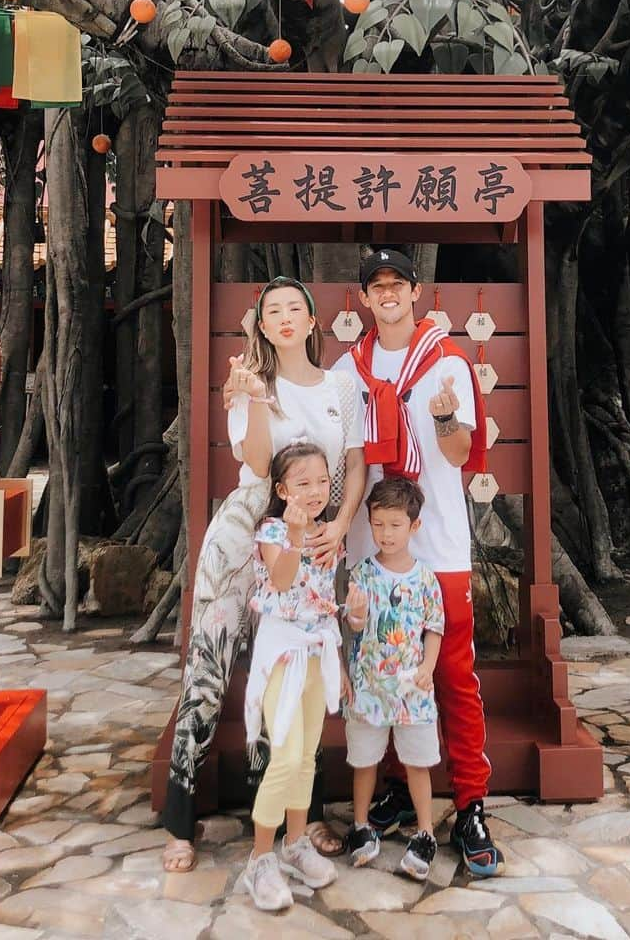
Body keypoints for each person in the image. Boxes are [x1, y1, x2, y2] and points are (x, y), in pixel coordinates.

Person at [163, 277, 366, 873]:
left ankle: (299, 818)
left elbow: (353, 464)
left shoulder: (340, 385)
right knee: (211, 662)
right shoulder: (248, 384)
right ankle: (180, 817)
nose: (282, 317)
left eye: (294, 309)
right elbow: (255, 464)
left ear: (311, 323)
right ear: (259, 324)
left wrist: (343, 520)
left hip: (321, 537)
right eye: (270, 310)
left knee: (308, 667)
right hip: (249, 527)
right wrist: (250, 398)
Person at [332, 248, 505, 878]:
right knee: (380, 666)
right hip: (372, 548)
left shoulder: (448, 362)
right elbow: (344, 458)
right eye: (375, 286)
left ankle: (470, 801)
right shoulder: (348, 370)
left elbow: (461, 454)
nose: (387, 294)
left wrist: (444, 416)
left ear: (415, 290)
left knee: (452, 674)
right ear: (365, 298)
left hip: (437, 547)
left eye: (396, 284)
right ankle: (401, 787)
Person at [239, 442, 343, 910]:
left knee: (307, 756)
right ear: (282, 489)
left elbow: (324, 596)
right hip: (283, 653)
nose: (316, 491)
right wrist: (297, 537)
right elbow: (281, 581)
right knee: (285, 753)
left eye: (322, 481)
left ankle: (295, 842)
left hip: (318, 650)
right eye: (303, 483)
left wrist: (340, 648)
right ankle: (260, 858)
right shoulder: (273, 531)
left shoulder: (329, 531)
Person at [344, 476, 444, 882]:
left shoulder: (425, 579)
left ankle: (425, 831)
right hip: (369, 684)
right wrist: (356, 614)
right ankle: (360, 825)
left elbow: (434, 627)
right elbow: (353, 625)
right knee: (364, 760)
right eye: (378, 524)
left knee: (419, 761)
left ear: (414, 526)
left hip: (411, 687)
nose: (386, 533)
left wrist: (429, 667)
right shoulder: (361, 573)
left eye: (395, 525)